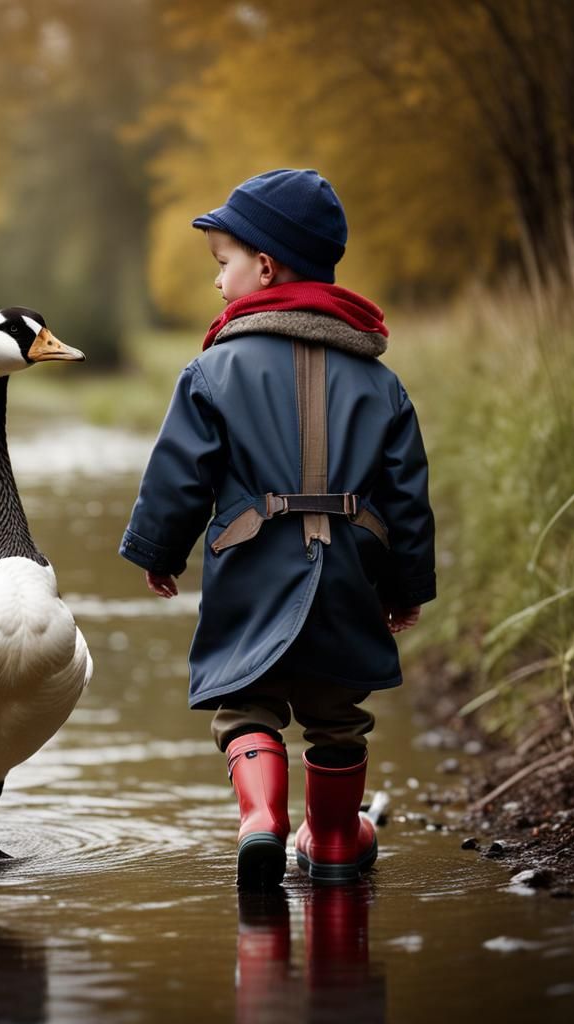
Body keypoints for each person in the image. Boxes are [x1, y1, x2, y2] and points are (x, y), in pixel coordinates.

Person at [119, 169, 436, 888]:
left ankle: (260, 819)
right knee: (337, 716)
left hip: (251, 571)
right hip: (350, 577)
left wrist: (159, 551)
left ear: (265, 266)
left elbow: (178, 476)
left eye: (222, 263)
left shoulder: (213, 369)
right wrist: (406, 585)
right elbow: (408, 495)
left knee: (245, 703)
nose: (217, 282)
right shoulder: (380, 380)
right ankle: (330, 837)